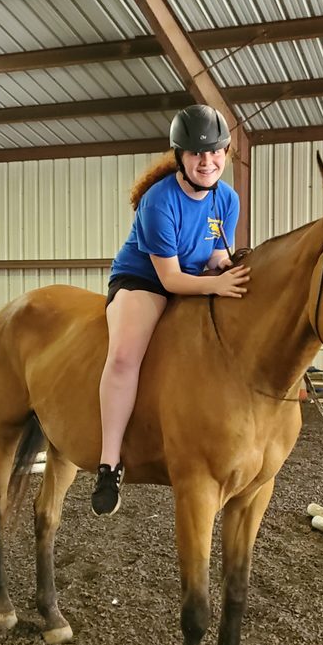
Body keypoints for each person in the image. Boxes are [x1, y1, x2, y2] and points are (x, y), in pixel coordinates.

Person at [91, 104, 250, 516]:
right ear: (180, 155)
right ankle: (109, 463)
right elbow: (170, 280)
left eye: (215, 152)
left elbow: (216, 254)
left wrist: (229, 268)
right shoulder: (158, 201)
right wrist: (216, 283)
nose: (207, 161)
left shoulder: (227, 198)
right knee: (125, 358)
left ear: (227, 151)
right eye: (197, 153)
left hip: (196, 275)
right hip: (145, 279)